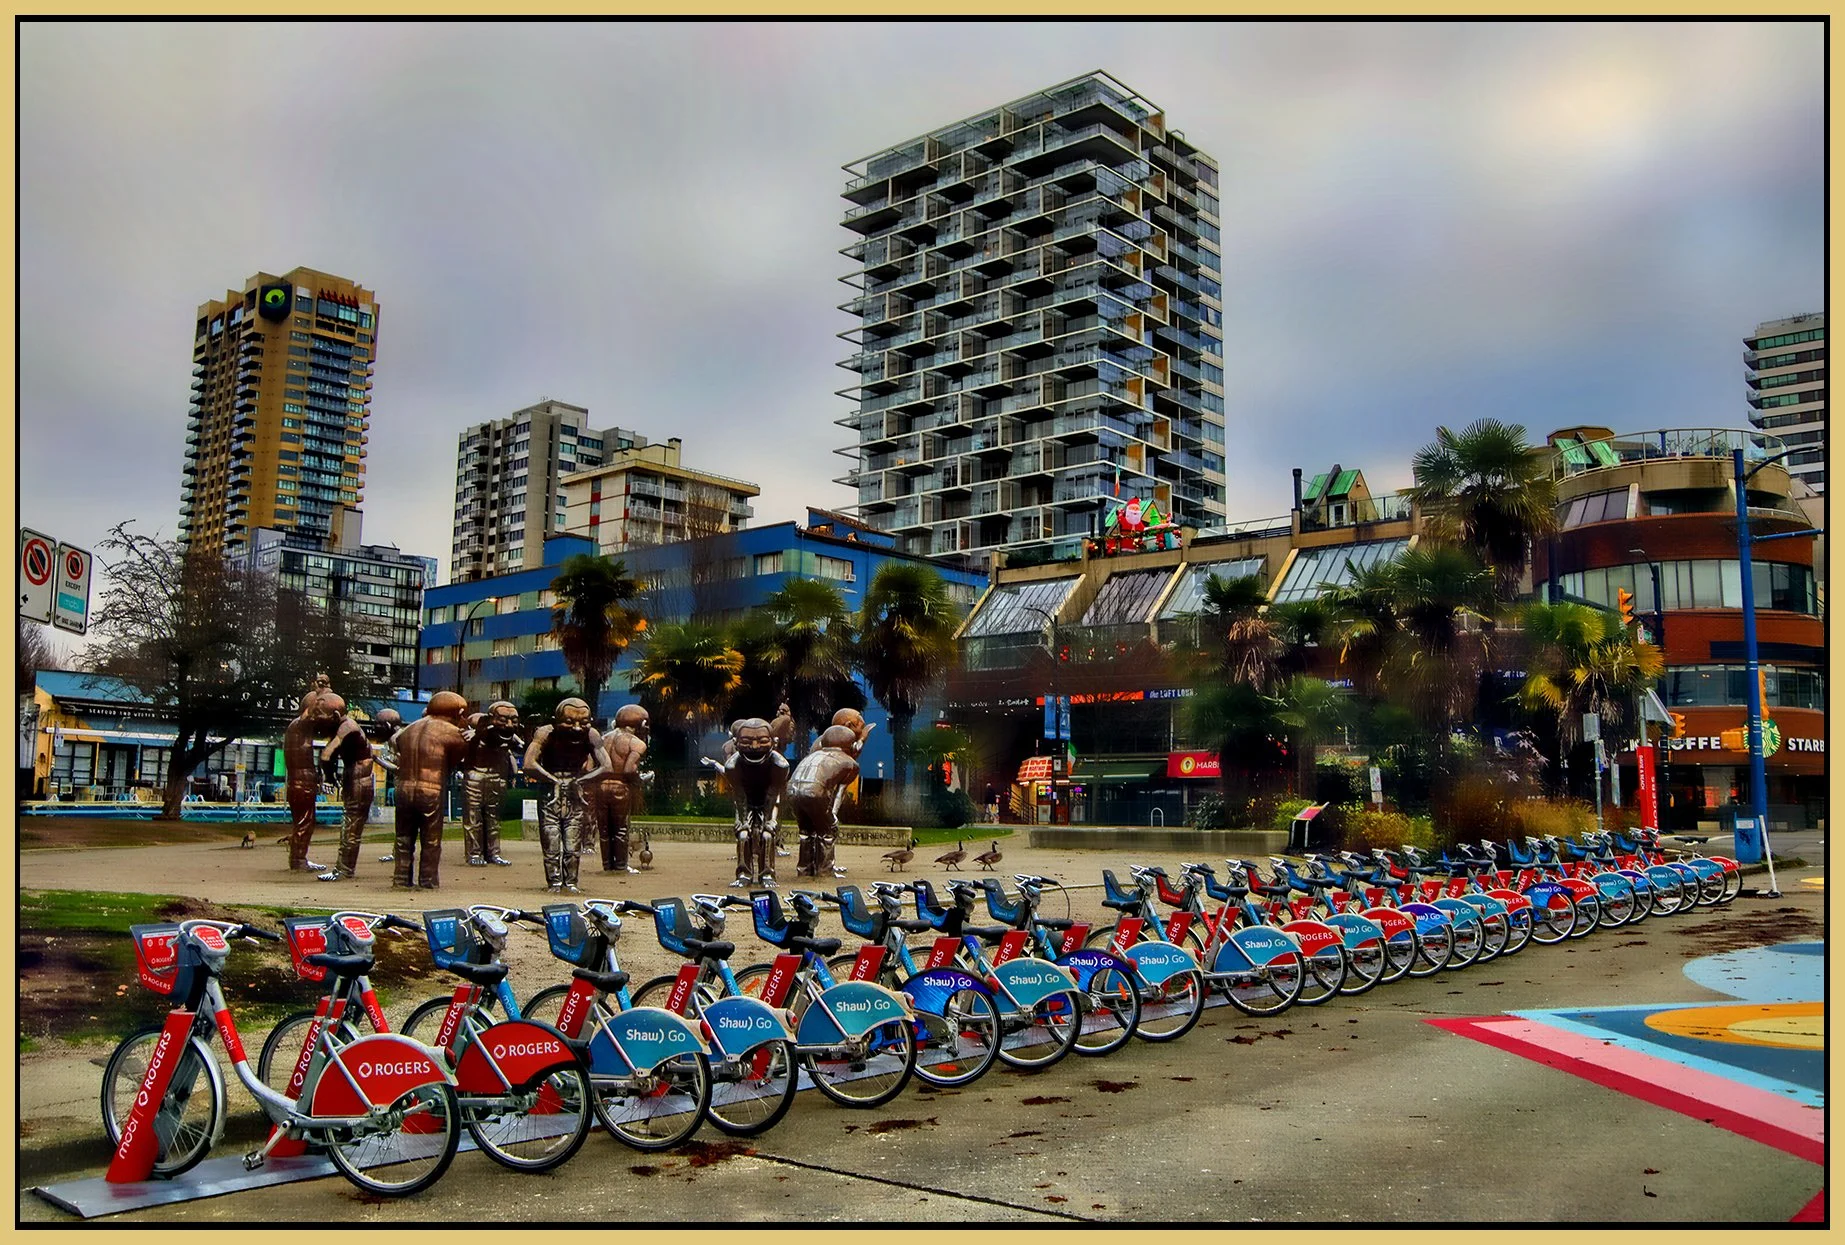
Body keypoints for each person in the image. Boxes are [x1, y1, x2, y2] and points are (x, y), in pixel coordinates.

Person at [522, 698, 610, 894]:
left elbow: (606, 766)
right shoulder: (545, 733)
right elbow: (528, 764)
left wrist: (580, 781)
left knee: (573, 842)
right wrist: (553, 780)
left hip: (574, 793)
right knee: (551, 840)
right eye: (569, 722)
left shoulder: (591, 735)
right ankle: (554, 882)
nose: (577, 728)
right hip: (549, 792)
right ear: (556, 720)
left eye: (584, 722)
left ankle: (571, 882)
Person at [390, 691, 470, 890]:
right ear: (457, 711)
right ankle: (428, 880)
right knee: (431, 839)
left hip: (403, 789)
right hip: (430, 789)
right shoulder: (451, 732)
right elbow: (456, 759)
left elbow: (397, 745)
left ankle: (401, 878)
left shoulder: (408, 730)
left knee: (403, 837)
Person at [717, 717, 789, 888]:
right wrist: (742, 821)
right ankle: (744, 873)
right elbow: (740, 795)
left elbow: (773, 793)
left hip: (770, 801)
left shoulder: (780, 764)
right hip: (746, 801)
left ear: (774, 742)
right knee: (743, 835)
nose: (755, 747)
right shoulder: (732, 765)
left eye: (762, 741)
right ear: (736, 742)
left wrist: (770, 820)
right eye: (747, 741)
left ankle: (767, 874)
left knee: (767, 835)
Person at [315, 711, 387, 882]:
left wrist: (330, 778)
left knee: (351, 826)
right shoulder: (343, 728)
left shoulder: (347, 727)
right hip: (354, 775)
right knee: (349, 825)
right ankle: (344, 868)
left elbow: (326, 754)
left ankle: (344, 869)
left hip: (358, 778)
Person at [282, 689, 346, 872]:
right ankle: (298, 860)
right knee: (305, 822)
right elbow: (309, 715)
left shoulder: (298, 729)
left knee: (305, 822)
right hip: (302, 783)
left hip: (301, 783)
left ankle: (299, 858)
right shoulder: (299, 726)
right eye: (317, 710)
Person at [790, 724, 860, 879]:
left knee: (806, 832)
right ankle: (825, 870)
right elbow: (839, 792)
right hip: (816, 793)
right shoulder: (849, 763)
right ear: (852, 745)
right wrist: (833, 815)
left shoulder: (811, 756)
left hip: (793, 791)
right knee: (828, 831)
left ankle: (804, 869)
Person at [461, 701, 524, 867]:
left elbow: (521, 748)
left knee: (494, 820)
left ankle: (493, 853)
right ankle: (474, 853)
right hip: (475, 778)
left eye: (513, 720)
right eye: (503, 720)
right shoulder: (472, 736)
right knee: (474, 819)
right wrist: (476, 735)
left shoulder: (509, 736)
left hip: (497, 779)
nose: (509, 724)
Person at [590, 705, 651, 874]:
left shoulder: (603, 738)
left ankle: (607, 864)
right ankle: (621, 865)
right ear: (642, 722)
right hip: (620, 787)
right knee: (621, 828)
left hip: (600, 786)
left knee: (604, 829)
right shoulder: (635, 743)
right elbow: (629, 770)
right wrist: (641, 779)